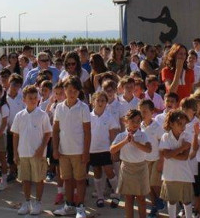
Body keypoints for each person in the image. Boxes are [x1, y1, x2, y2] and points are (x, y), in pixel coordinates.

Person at [52, 76, 91, 218]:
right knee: (67, 180)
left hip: (79, 151)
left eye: (75, 90)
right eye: (69, 90)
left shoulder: (84, 107)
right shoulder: (59, 108)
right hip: (63, 151)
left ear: (79, 92)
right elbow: (55, 130)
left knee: (80, 180)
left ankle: (80, 207)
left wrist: (86, 152)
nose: (72, 93)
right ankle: (69, 205)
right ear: (64, 91)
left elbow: (87, 131)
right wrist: (55, 149)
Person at [12, 84, 52, 215]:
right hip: (23, 153)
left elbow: (47, 133)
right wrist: (15, 153)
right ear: (24, 99)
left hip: (38, 154)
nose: (33, 100)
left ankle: (38, 202)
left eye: (35, 97)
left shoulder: (42, 115)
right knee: (25, 179)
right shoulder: (19, 115)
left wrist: (41, 149)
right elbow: (15, 135)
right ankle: (27, 201)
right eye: (30, 97)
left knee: (39, 178)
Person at [110, 109, 152, 218]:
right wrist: (125, 141)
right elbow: (112, 150)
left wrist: (134, 142)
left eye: (138, 121)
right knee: (128, 199)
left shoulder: (143, 135)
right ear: (126, 121)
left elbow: (148, 149)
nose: (135, 124)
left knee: (141, 198)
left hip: (141, 168)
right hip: (126, 168)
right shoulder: (121, 136)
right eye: (133, 121)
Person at [89, 92, 121, 209]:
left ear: (106, 103)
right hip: (92, 150)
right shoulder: (89, 116)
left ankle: (117, 194)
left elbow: (113, 135)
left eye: (103, 100)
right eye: (98, 100)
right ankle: (100, 196)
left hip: (106, 150)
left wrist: (114, 151)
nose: (101, 103)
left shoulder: (109, 117)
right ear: (93, 102)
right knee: (97, 172)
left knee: (109, 171)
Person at [159, 110, 193, 218]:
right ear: (171, 124)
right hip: (170, 175)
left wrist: (171, 153)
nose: (183, 127)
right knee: (172, 200)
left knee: (187, 201)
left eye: (184, 124)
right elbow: (166, 155)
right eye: (179, 124)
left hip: (185, 174)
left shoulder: (187, 136)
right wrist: (182, 147)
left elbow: (184, 157)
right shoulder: (165, 136)